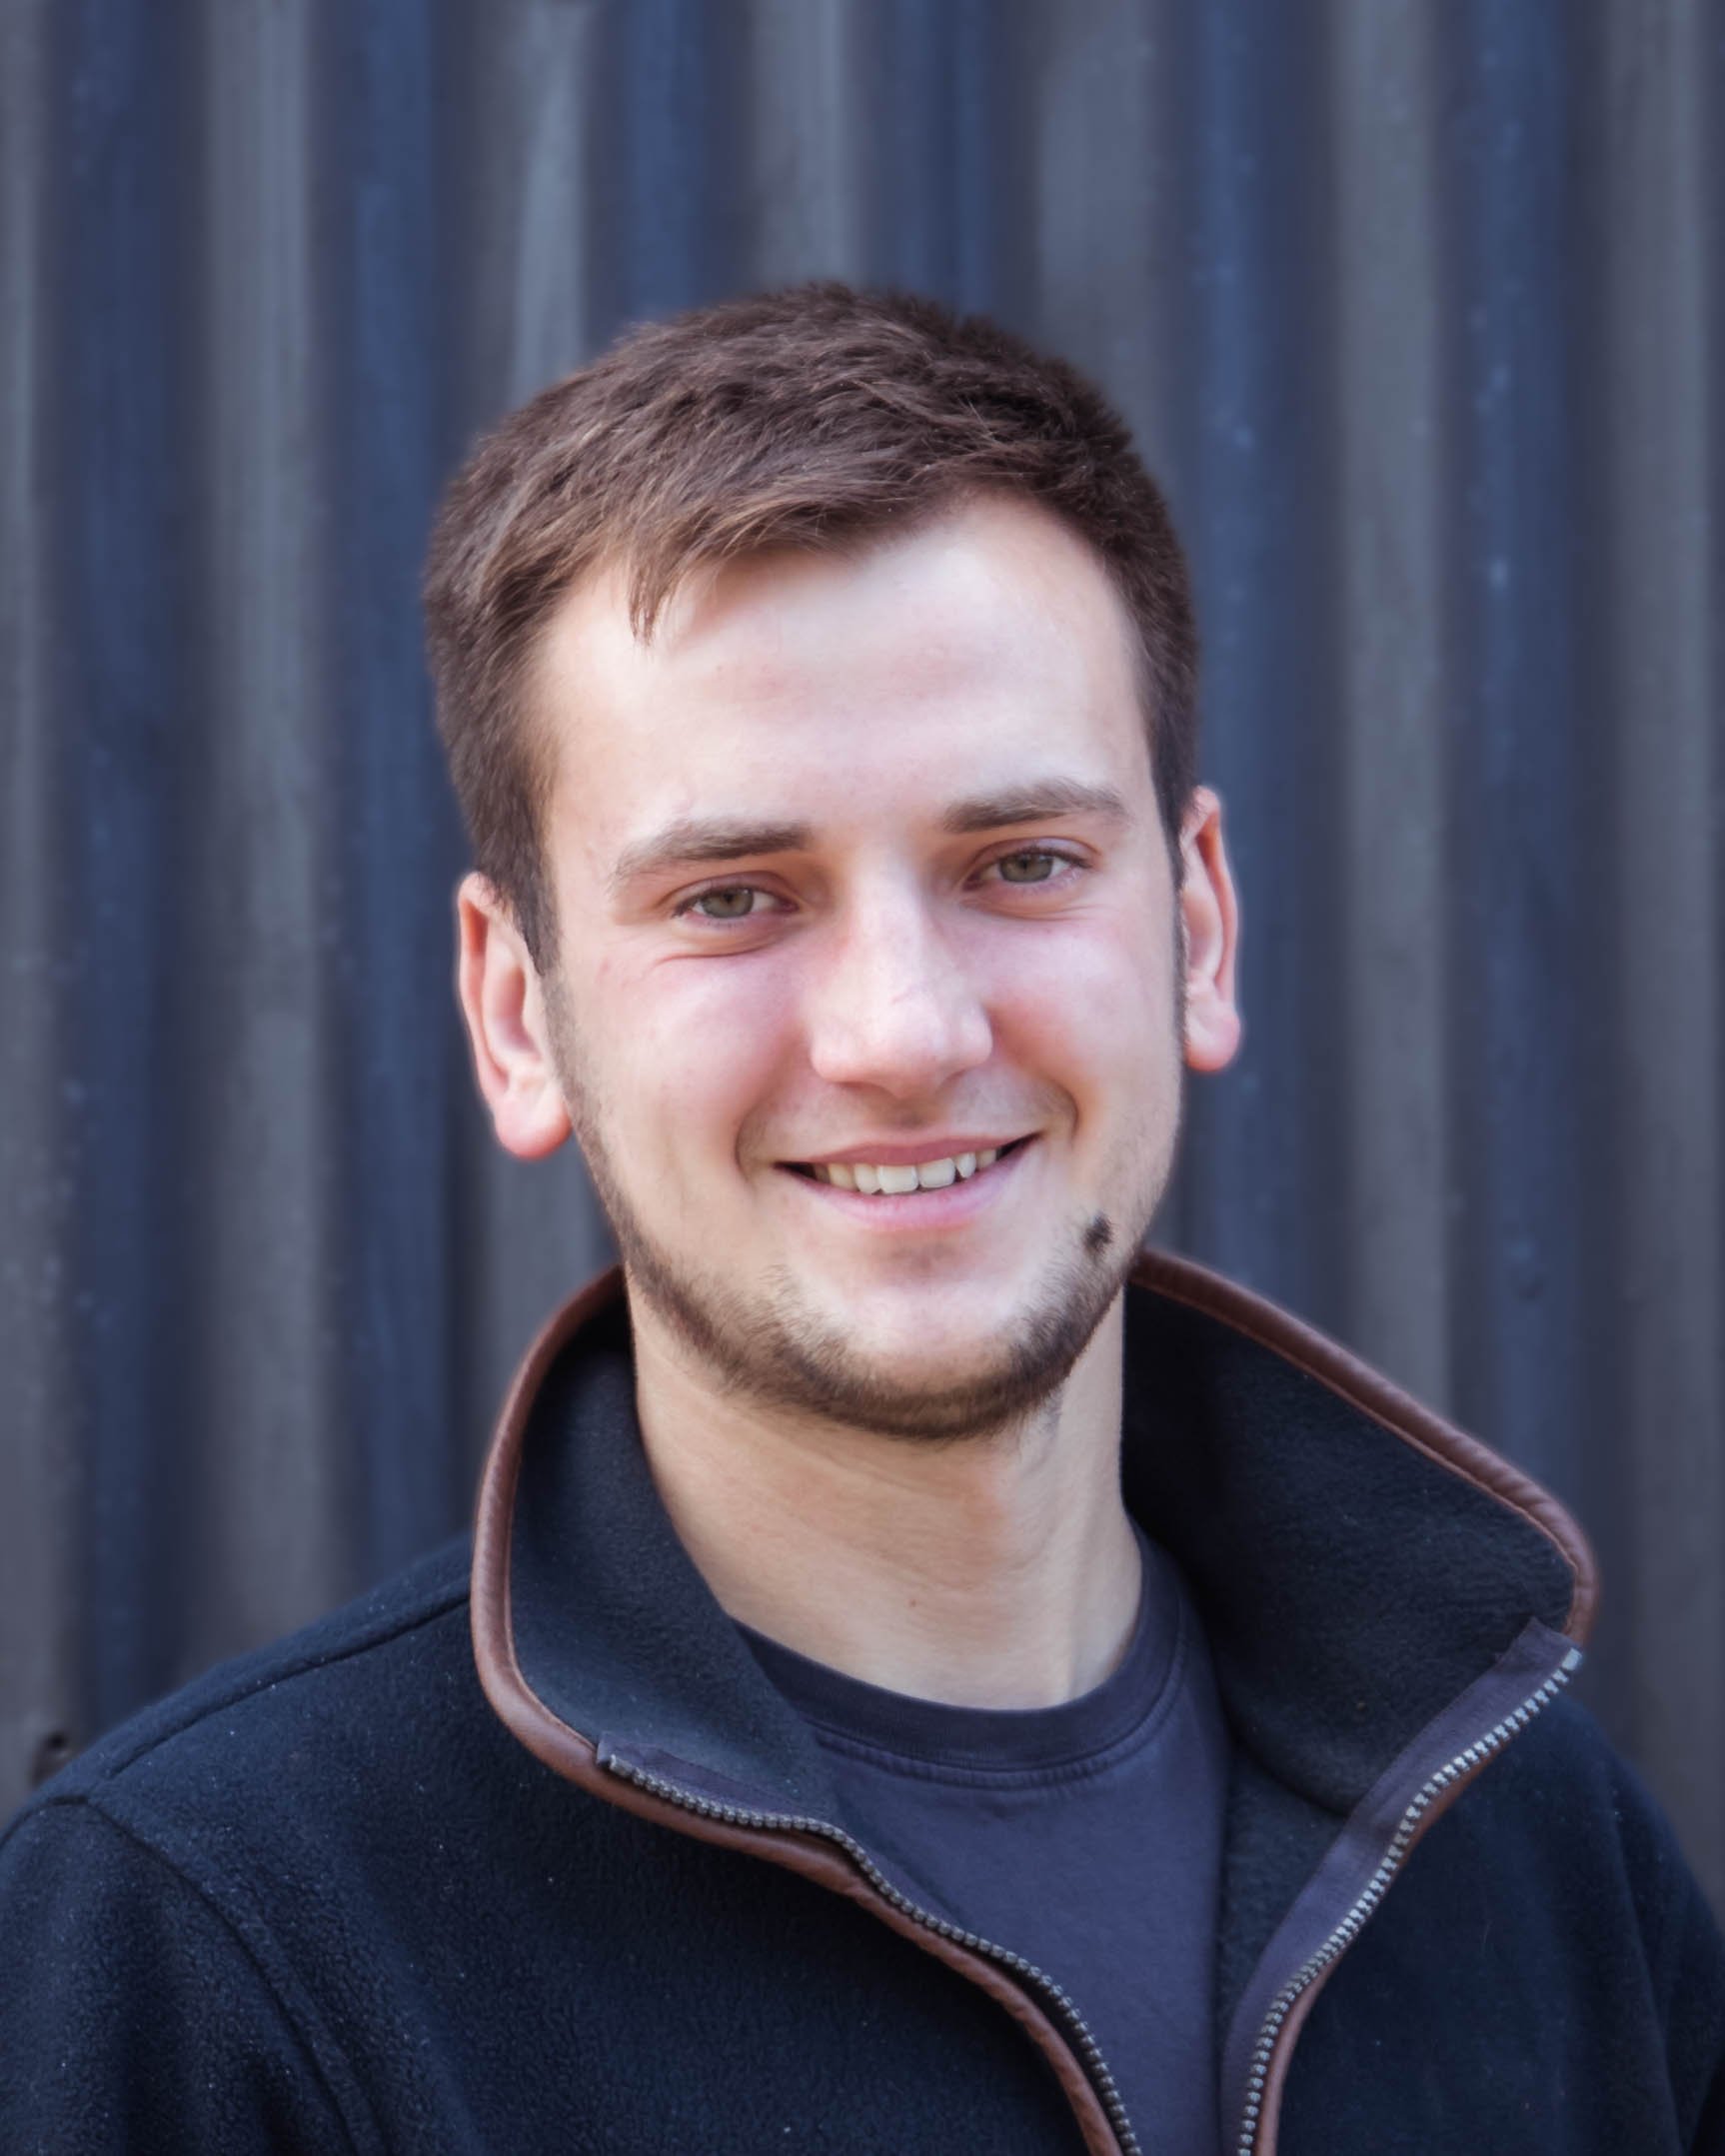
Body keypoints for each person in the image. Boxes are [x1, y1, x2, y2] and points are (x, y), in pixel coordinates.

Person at [1, 285, 1719, 2156]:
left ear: (1196, 926)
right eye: (735, 897)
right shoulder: (211, 1953)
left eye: (1020, 863)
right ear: (518, 1011)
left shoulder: (1539, 1854)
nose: (904, 1031)